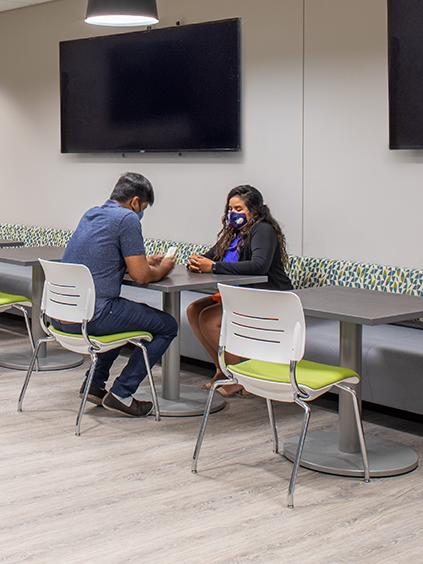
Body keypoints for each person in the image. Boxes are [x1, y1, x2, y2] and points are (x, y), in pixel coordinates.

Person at [60, 172, 177, 417]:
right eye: (142, 208)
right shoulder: (127, 218)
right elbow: (141, 277)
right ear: (135, 202)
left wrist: (144, 261)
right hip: (94, 317)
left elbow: (103, 256)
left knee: (122, 316)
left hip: (63, 317)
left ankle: (94, 383)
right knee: (167, 325)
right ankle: (122, 393)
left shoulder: (91, 214)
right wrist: (164, 267)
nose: (141, 213)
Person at [185, 184, 292, 397]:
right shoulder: (233, 233)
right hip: (243, 296)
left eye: (238, 209)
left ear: (254, 211)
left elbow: (258, 265)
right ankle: (222, 371)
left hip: (269, 297)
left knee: (208, 319)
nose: (232, 214)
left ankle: (238, 378)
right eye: (230, 209)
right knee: (193, 310)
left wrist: (213, 267)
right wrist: (197, 262)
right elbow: (211, 256)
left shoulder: (263, 229)